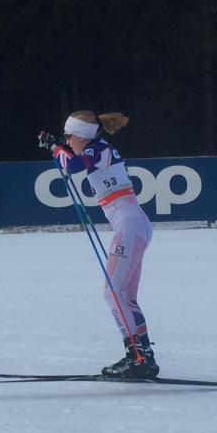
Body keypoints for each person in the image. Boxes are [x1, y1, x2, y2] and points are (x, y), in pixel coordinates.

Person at [38, 110, 159, 378]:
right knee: (125, 297)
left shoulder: (98, 148)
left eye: (69, 135)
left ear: (81, 135)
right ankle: (143, 357)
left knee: (112, 293)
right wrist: (57, 148)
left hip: (130, 226)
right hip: (134, 225)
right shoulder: (94, 149)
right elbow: (71, 162)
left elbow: (73, 166)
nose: (68, 140)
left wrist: (54, 147)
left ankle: (138, 358)